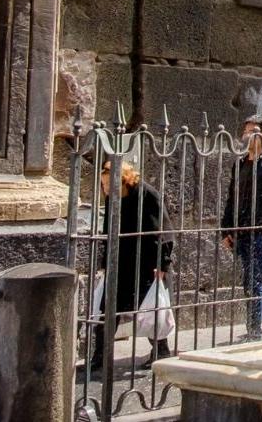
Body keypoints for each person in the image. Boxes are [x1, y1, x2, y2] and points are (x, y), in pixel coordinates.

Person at [87, 158, 173, 373]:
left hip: (146, 262)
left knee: (150, 308)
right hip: (121, 261)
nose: (105, 189)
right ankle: (100, 356)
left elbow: (162, 232)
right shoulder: (113, 198)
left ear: (124, 180)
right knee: (107, 308)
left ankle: (161, 349)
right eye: (103, 185)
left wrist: (162, 264)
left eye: (108, 184)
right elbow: (109, 231)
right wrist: (106, 261)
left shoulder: (147, 195)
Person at [221, 115, 262, 339]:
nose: (248, 135)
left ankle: (260, 331)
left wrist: (260, 224)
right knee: (253, 282)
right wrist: (226, 229)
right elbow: (232, 198)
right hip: (242, 232)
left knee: (260, 281)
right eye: (246, 130)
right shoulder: (240, 163)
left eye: (254, 130)